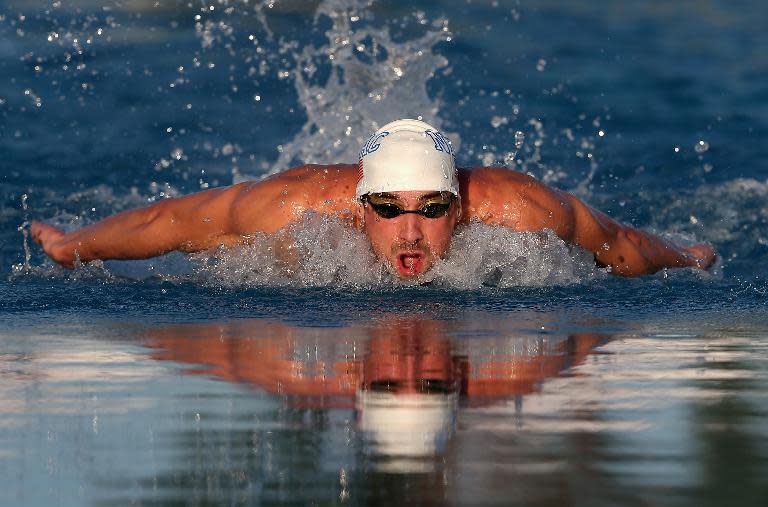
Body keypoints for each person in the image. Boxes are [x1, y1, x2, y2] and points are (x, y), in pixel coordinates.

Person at [30, 118, 716, 278]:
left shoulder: (516, 206)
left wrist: (685, 257)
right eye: (387, 207)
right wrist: (74, 245)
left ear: (460, 206)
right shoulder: (296, 205)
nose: (409, 232)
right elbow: (175, 221)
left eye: (431, 208)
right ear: (359, 206)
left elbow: (617, 246)